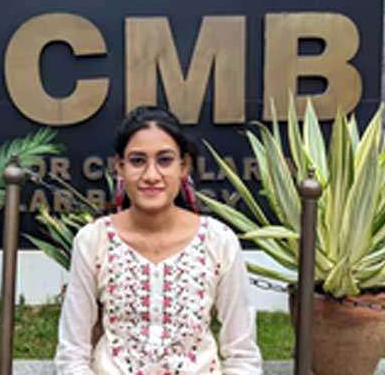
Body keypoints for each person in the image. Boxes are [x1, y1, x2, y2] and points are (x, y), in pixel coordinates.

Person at [54, 106, 263, 374]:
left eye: (164, 160)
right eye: (137, 161)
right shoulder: (94, 240)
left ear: (183, 166)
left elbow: (243, 355)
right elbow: (72, 354)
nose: (151, 175)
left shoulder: (217, 241)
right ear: (119, 167)